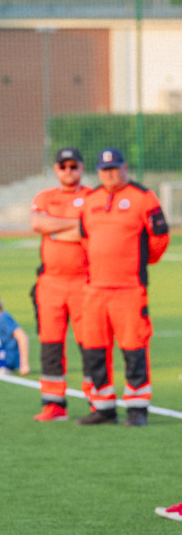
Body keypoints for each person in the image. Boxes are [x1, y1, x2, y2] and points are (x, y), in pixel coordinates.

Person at [76, 148, 170, 426]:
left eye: (115, 168)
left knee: (134, 349)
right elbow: (84, 239)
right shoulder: (90, 200)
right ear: (98, 172)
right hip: (95, 291)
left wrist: (138, 262)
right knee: (93, 350)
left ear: (125, 167)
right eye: (105, 170)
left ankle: (137, 409)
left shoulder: (143, 197)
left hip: (129, 289)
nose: (111, 174)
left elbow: (160, 238)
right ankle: (103, 408)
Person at [30, 147, 93, 422]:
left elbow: (90, 229)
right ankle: (54, 404)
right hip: (50, 283)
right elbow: (37, 222)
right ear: (56, 169)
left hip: (85, 282)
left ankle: (98, 400)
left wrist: (55, 229)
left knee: (91, 343)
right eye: (63, 166)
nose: (68, 171)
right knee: (50, 345)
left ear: (81, 168)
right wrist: (74, 226)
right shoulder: (45, 196)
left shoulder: (93, 197)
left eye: (73, 166)